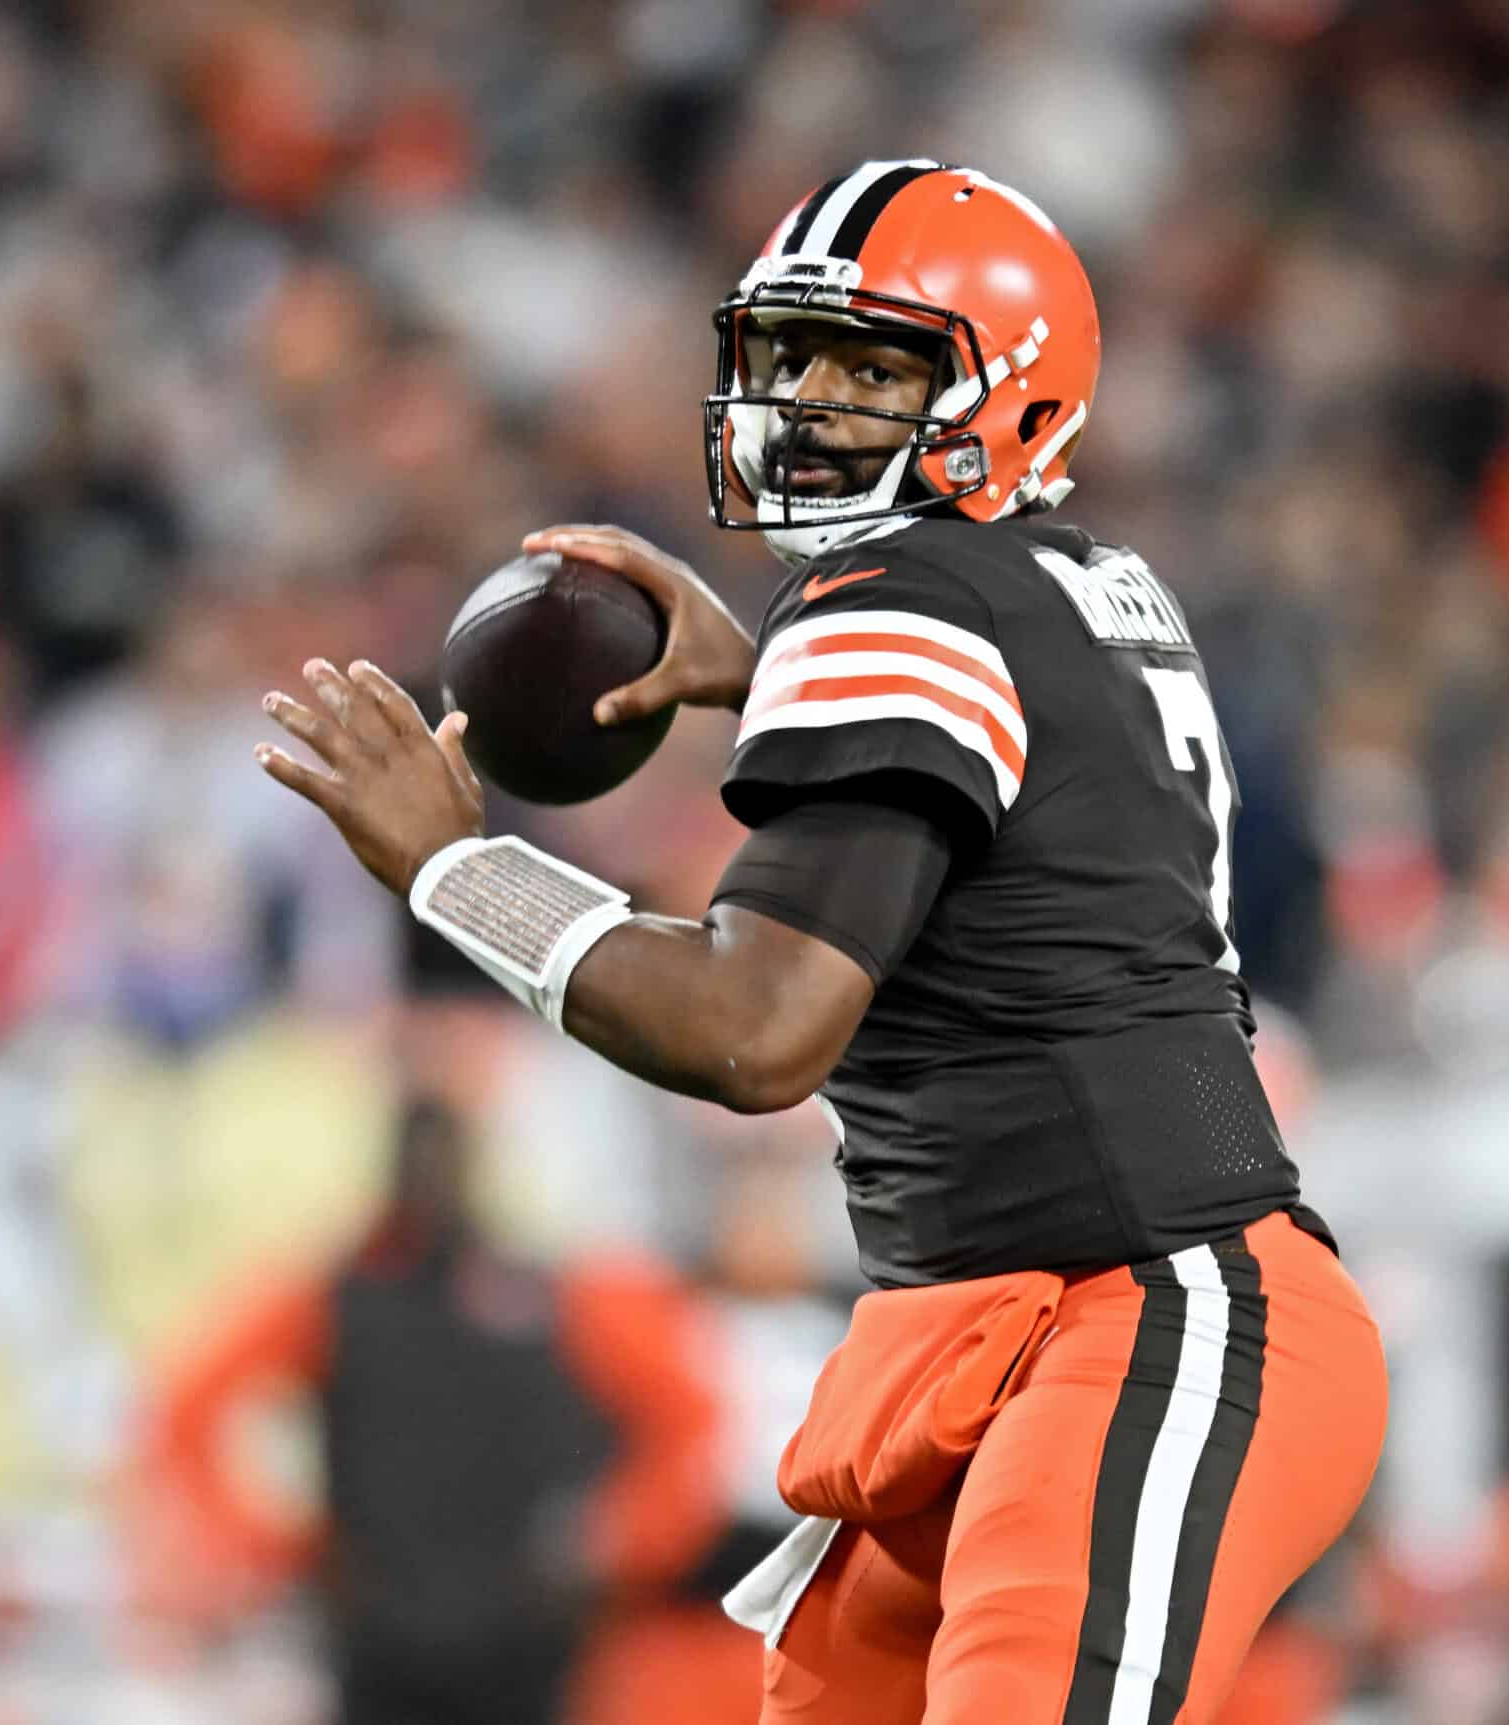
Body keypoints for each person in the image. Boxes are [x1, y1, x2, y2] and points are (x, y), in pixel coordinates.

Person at [253, 158, 1387, 1724]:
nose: (812, 401)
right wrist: (777, 670)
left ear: (1011, 392)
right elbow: (1037, 795)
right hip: (1011, 1332)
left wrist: (458, 870)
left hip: (1136, 1313)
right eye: (794, 357)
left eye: (876, 364)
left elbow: (755, 1032)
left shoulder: (892, 601)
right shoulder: (1078, 581)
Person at [138, 1095, 728, 1725]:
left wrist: (618, 1540)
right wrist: (271, 1550)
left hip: (516, 1637)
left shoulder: (560, 1294)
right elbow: (182, 1408)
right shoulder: (343, 1296)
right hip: (400, 1636)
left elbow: (691, 1422)